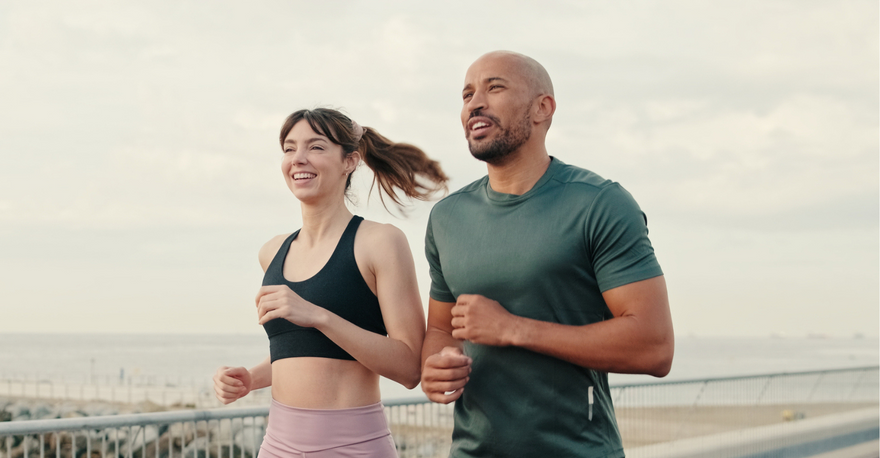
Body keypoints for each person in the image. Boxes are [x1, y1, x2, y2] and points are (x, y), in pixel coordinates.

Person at [419, 51, 675, 457]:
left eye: (495, 87)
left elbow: (655, 347)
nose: (475, 103)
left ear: (543, 108)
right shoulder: (447, 218)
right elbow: (440, 330)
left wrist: (513, 329)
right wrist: (437, 364)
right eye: (467, 94)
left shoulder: (600, 203)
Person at [213, 107, 448, 457]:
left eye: (316, 147)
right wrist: (251, 377)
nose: (298, 159)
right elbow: (300, 351)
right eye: (289, 148)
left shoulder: (379, 242)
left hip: (353, 447)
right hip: (277, 447)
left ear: (350, 161)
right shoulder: (272, 252)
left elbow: (409, 366)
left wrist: (319, 316)